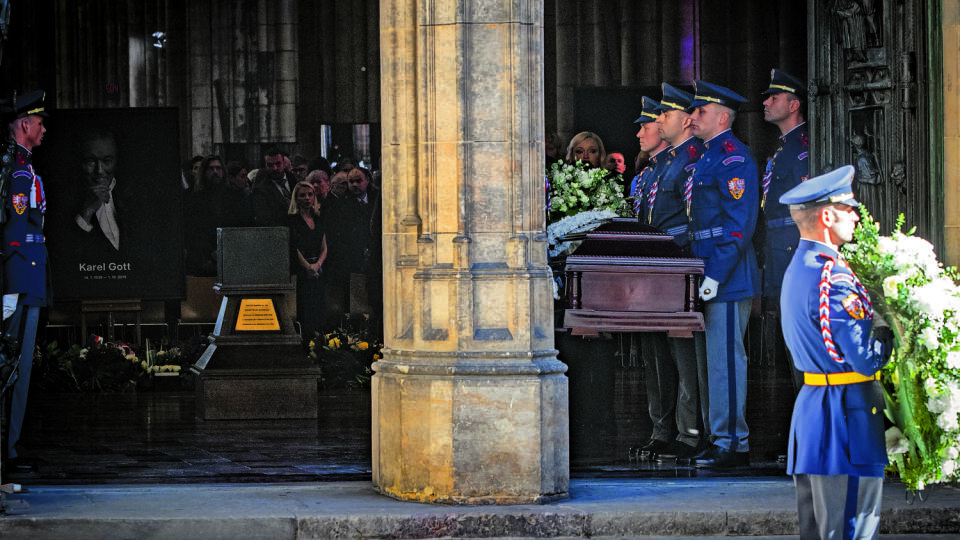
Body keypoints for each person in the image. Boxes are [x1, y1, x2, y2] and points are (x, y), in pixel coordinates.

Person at [778, 165, 893, 540]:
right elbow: (865, 357)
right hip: (845, 416)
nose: (857, 216)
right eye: (849, 209)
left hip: (816, 409)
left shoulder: (801, 267)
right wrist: (892, 332)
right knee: (851, 527)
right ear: (827, 216)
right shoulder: (834, 278)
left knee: (821, 529)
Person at [686, 80, 759, 469]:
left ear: (723, 117)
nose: (692, 116)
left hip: (726, 274)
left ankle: (733, 441)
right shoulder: (708, 156)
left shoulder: (734, 158)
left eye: (700, 110)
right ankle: (717, 435)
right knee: (709, 360)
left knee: (725, 359)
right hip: (705, 267)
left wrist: (715, 274)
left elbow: (738, 225)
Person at [636, 83, 708, 461]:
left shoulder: (691, 159)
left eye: (662, 115)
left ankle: (689, 431)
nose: (652, 124)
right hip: (656, 268)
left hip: (677, 265)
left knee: (683, 352)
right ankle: (664, 429)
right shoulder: (659, 167)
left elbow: (692, 219)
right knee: (658, 355)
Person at [1, 90, 51, 473]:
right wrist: (10, 285)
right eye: (39, 121)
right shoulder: (16, 169)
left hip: (29, 273)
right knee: (12, 365)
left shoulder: (25, 166)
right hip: (19, 275)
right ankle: (7, 448)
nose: (44, 128)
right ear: (24, 125)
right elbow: (14, 230)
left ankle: (10, 445)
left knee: (20, 367)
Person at [760, 68, 810, 391]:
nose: (765, 102)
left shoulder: (801, 147)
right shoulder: (782, 148)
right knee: (788, 334)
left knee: (799, 332)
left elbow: (806, 206)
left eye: (774, 97)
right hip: (777, 246)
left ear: (794, 105)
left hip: (792, 244)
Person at [287, 181, 328, 342]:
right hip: (301, 272)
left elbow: (325, 246)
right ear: (296, 198)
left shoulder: (319, 219)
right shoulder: (292, 220)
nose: (307, 198)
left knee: (319, 309)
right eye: (302, 195)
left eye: (310, 195)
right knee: (305, 309)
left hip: (318, 270)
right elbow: (293, 247)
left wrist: (318, 265)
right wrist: (308, 267)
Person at [74, 128, 123, 251]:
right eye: (91, 161)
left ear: (116, 161)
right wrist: (88, 211)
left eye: (107, 161)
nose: (99, 171)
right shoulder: (64, 202)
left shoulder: (134, 197)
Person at [252, 146, 294, 226]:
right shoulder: (261, 190)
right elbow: (264, 220)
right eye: (270, 165)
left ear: (284, 163)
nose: (274, 168)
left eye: (278, 164)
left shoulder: (294, 180)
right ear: (265, 166)